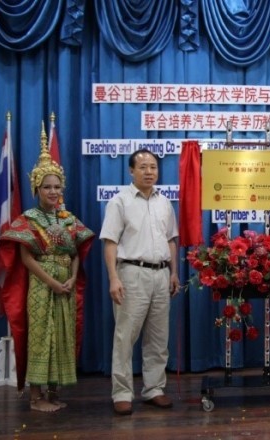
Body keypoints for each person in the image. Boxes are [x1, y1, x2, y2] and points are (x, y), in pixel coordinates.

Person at [0, 128, 94, 412]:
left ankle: (53, 393)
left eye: (57, 187)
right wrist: (52, 282)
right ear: (36, 190)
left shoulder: (68, 218)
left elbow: (76, 251)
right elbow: (26, 259)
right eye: (47, 187)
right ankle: (36, 397)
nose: (53, 192)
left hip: (65, 282)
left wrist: (73, 276)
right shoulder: (28, 219)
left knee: (63, 334)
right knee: (41, 335)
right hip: (42, 284)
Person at [100, 148, 180, 416]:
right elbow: (110, 242)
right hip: (131, 274)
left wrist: (173, 272)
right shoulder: (120, 202)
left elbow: (171, 240)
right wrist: (113, 278)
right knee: (125, 336)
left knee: (159, 337)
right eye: (143, 167)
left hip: (161, 274)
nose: (149, 172)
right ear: (131, 171)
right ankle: (122, 393)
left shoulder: (164, 202)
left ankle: (154, 388)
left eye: (153, 167)